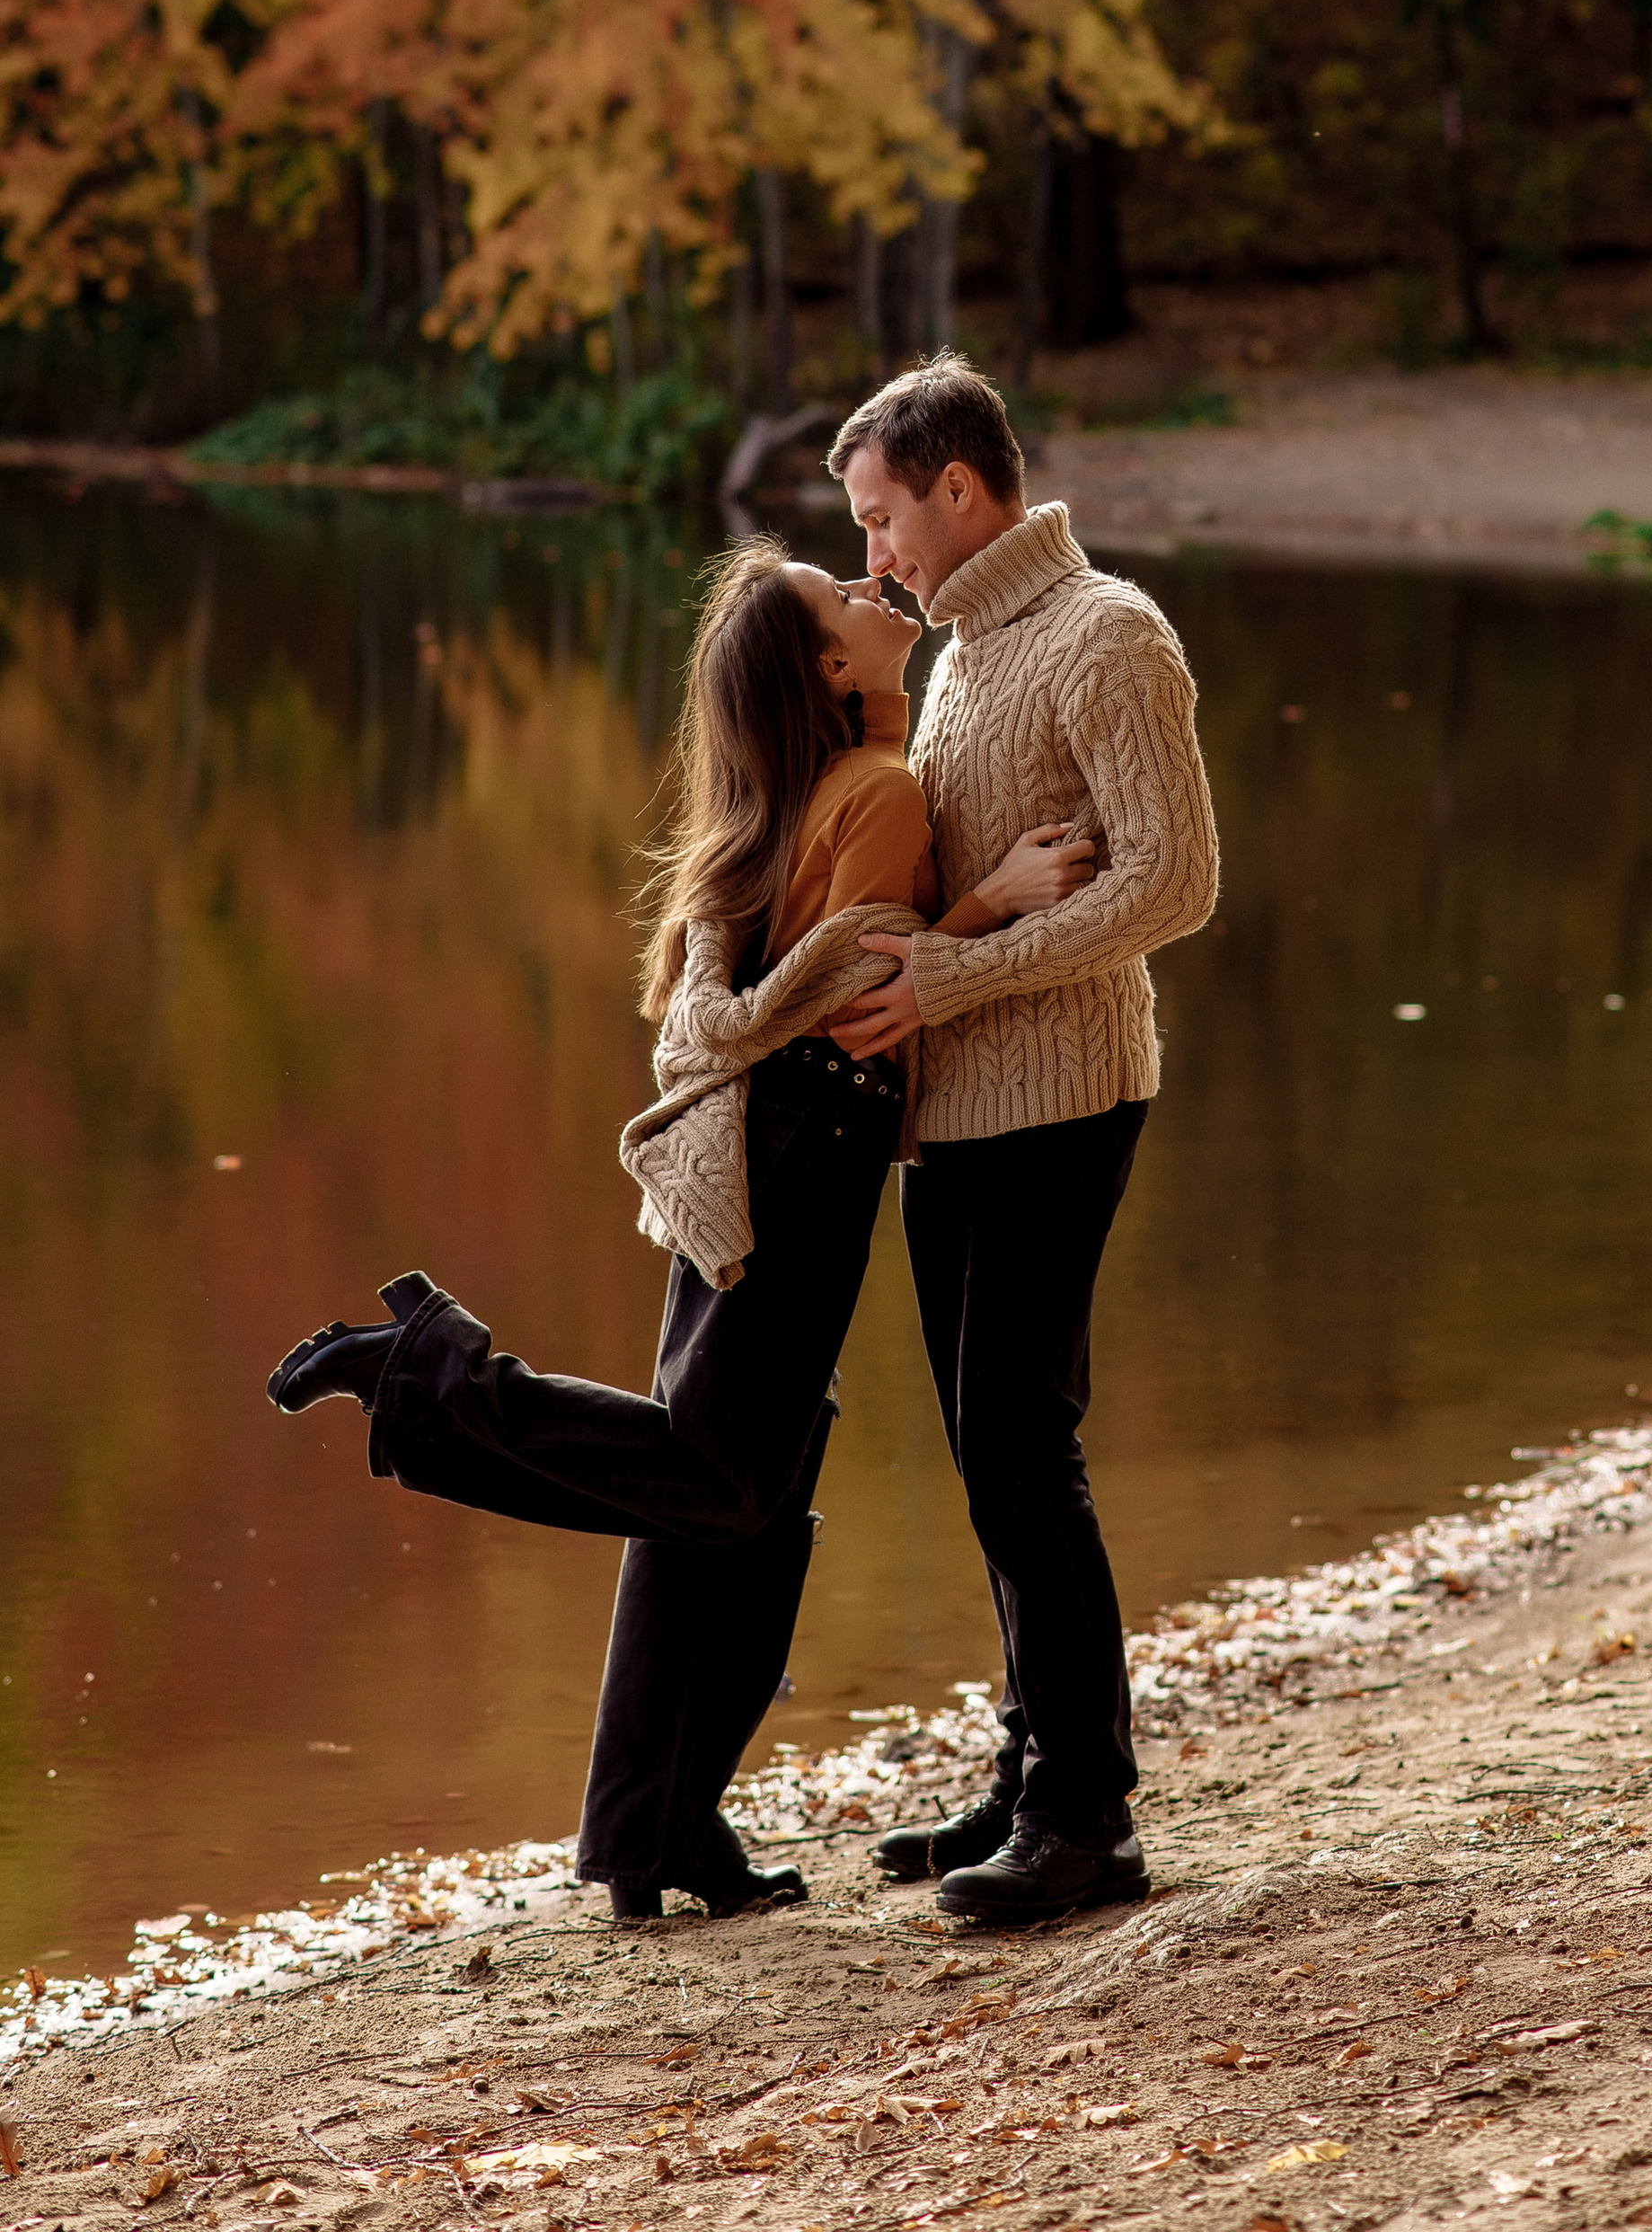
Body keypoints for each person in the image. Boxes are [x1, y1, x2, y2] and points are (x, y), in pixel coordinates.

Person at [262, 543, 1091, 1925]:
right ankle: (425, 1371)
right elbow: (864, 989)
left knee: (736, 1505)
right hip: (807, 1151)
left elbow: (800, 959)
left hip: (751, 1142)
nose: (879, 594)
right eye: (850, 601)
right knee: (715, 1480)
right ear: (829, 670)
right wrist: (990, 904)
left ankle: (656, 1826)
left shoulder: (807, 791)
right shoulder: (877, 791)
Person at [824, 352, 1220, 1927]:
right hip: (958, 1112)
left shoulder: (1107, 636)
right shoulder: (967, 655)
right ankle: (1031, 1765)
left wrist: (962, 972)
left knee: (1019, 1442)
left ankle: (1088, 1820)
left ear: (959, 490)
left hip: (1066, 1091)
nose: (874, 558)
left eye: (881, 520)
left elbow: (1175, 884)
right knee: (991, 1447)